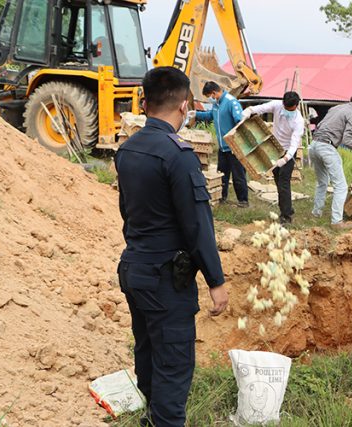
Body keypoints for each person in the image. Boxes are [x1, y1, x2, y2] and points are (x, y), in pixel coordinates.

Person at [115, 67, 229, 426]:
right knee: (174, 365)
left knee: (148, 353)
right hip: (166, 280)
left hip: (135, 270)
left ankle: (150, 418)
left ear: (145, 103)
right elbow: (197, 226)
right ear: (184, 106)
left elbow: (128, 213)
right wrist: (216, 281)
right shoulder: (178, 155)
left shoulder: (127, 150)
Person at [309, 89, 352, 227]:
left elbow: (320, 125)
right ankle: (336, 222)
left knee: (322, 182)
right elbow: (347, 140)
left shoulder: (336, 108)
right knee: (340, 186)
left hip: (314, 145)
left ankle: (316, 213)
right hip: (327, 147)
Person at [242, 92, 305, 224]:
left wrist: (286, 158)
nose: (288, 111)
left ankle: (286, 216)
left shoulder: (298, 121)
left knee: (283, 183)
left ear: (296, 105)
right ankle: (287, 208)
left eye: (290, 109)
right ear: (283, 103)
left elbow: (294, 144)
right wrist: (250, 110)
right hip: (275, 148)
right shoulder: (277, 105)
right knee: (277, 179)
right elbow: (262, 108)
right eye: (286, 108)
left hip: (288, 152)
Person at [194, 81, 249, 207]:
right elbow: (210, 116)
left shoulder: (231, 102)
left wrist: (237, 142)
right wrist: (196, 114)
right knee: (221, 174)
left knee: (238, 175)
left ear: (214, 92)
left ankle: (243, 200)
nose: (211, 99)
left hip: (234, 147)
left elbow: (240, 122)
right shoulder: (217, 104)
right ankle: (221, 197)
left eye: (210, 96)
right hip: (223, 147)